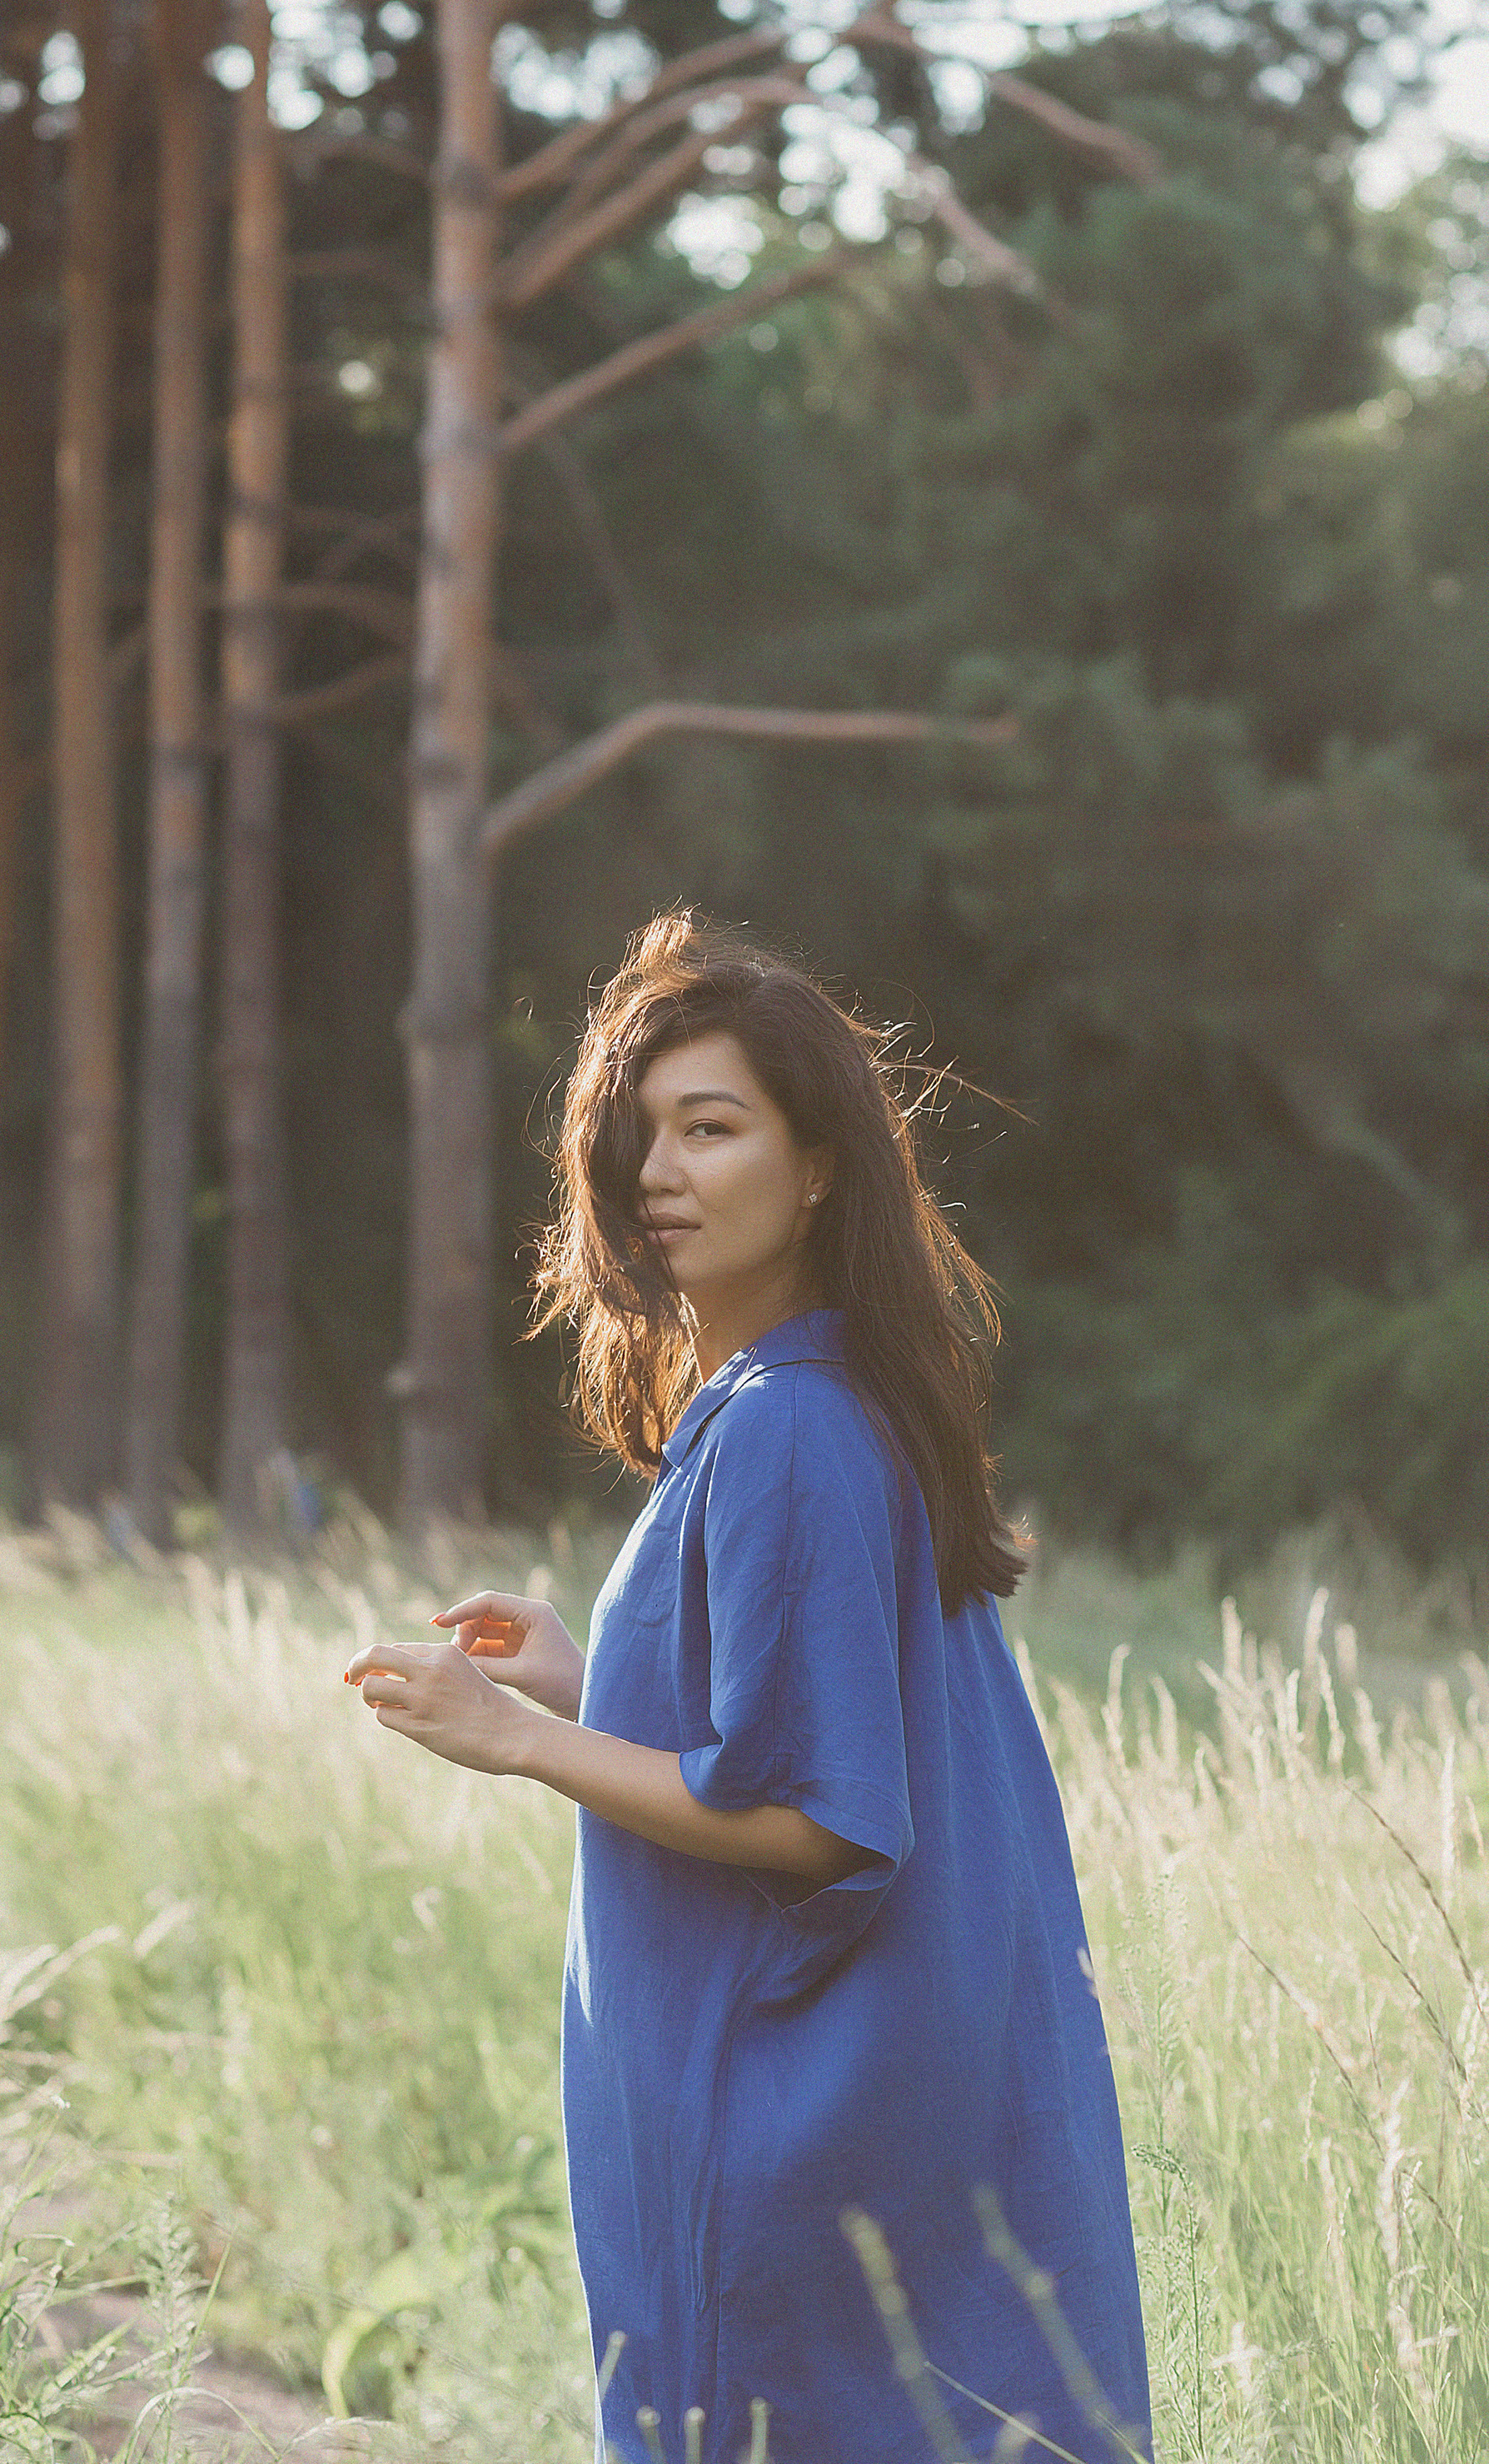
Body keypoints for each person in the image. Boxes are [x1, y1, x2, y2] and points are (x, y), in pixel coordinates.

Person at [345, 912, 1150, 2464]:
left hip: (788, 2142)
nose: (660, 1174)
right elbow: (805, 1729)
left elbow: (819, 1819)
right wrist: (599, 1682)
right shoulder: (822, 1408)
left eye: (712, 1130)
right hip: (863, 2135)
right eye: (640, 1137)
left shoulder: (790, 1428)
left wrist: (519, 1740)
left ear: (821, 1164)